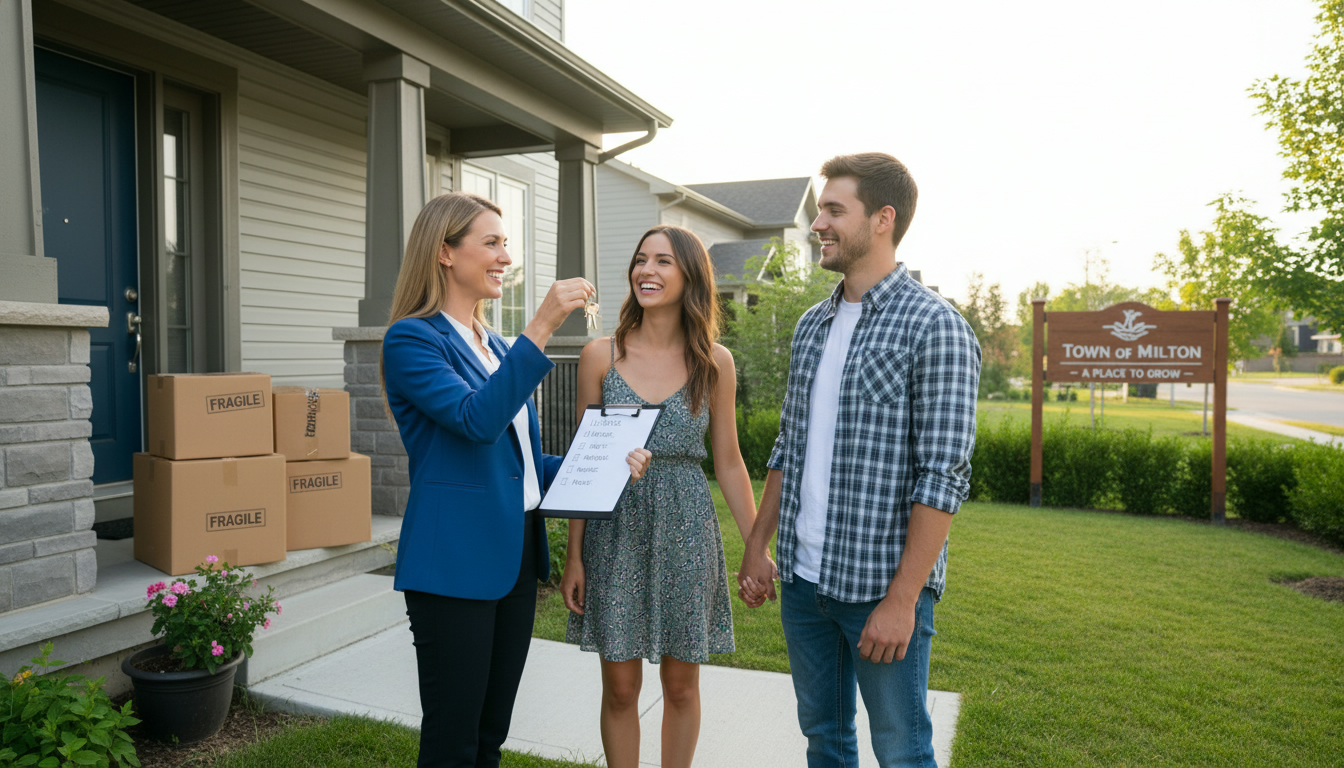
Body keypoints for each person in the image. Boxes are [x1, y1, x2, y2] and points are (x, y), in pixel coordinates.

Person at [380, 191, 652, 768]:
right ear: (445, 253)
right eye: (492, 243)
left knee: (489, 734)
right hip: (453, 566)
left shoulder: (497, 346)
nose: (506, 257)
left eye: (506, 244)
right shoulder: (413, 340)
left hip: (516, 562)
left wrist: (608, 463)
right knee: (453, 740)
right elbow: (477, 422)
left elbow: (526, 463)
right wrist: (544, 324)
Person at [738, 153, 981, 767]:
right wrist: (758, 546)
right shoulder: (811, 327)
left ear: (882, 219)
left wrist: (903, 599)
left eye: (833, 210)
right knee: (825, 737)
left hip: (880, 586)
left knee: (901, 749)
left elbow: (943, 477)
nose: (817, 223)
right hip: (803, 580)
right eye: (820, 209)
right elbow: (788, 446)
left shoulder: (936, 328)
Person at [559, 225, 764, 768]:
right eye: (640, 259)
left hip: (687, 527)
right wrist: (574, 555)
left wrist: (755, 545)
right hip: (616, 531)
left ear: (690, 276)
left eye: (664, 261)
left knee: (680, 686)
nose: (646, 270)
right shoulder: (599, 356)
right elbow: (585, 463)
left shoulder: (714, 362)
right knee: (621, 687)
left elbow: (729, 462)